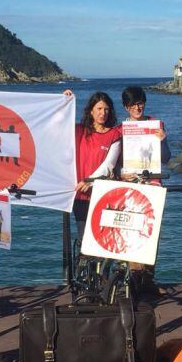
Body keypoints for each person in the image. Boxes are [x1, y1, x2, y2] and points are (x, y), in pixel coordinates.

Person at [119, 86, 170, 296]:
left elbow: (166, 158)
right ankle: (133, 279)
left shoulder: (156, 125)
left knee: (151, 233)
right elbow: (117, 160)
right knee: (131, 232)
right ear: (126, 107)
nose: (137, 108)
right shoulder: (120, 130)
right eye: (132, 105)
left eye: (140, 103)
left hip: (152, 186)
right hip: (131, 186)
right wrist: (122, 173)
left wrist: (163, 139)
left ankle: (148, 279)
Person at [72, 91, 123, 246]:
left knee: (101, 240)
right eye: (99, 109)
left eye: (106, 109)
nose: (103, 113)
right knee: (84, 239)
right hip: (80, 195)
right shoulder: (79, 130)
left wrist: (90, 181)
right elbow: (57, 125)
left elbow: (109, 165)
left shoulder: (115, 135)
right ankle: (81, 269)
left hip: (102, 194)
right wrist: (64, 101)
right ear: (91, 111)